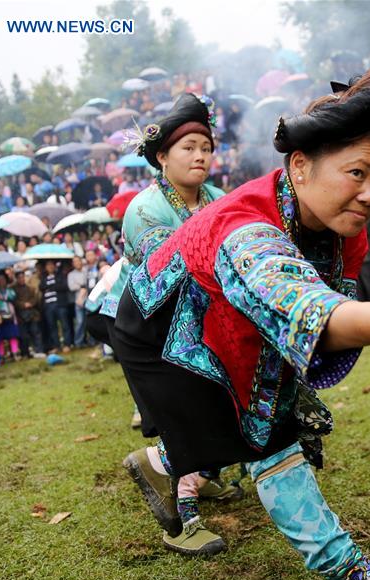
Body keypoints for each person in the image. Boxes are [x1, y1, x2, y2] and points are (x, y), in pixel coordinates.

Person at [111, 54, 370, 580]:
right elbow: (293, 298)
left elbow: (311, 300)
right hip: (162, 329)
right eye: (357, 173)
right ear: (300, 167)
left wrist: (354, 314)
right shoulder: (245, 225)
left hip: (226, 321)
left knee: (249, 426)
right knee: (270, 439)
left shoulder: (339, 228)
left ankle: (162, 463)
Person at [84, 93, 238, 556]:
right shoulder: (144, 209)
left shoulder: (217, 198)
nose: (199, 156)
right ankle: (181, 524)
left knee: (220, 400)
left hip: (194, 317)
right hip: (140, 324)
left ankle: (202, 477)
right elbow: (179, 274)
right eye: (188, 147)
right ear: (162, 156)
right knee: (182, 414)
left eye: (205, 147)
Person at [39, 260, 72, 353]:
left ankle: (67, 344)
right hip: (48, 305)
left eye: (51, 265)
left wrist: (51, 287)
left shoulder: (60, 275)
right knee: (52, 326)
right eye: (48, 265)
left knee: (65, 324)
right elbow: (41, 287)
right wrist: (51, 286)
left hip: (60, 304)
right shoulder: (43, 277)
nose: (50, 267)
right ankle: (56, 346)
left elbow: (64, 286)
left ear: (54, 266)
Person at [13, 269, 44, 358]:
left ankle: (39, 350)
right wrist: (23, 305)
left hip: (32, 313)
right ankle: (25, 352)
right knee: (24, 336)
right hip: (20, 315)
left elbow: (35, 298)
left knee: (36, 332)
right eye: (19, 278)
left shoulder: (31, 288)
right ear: (17, 279)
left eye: (23, 277)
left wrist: (30, 304)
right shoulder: (13, 289)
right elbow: (14, 301)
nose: (22, 279)